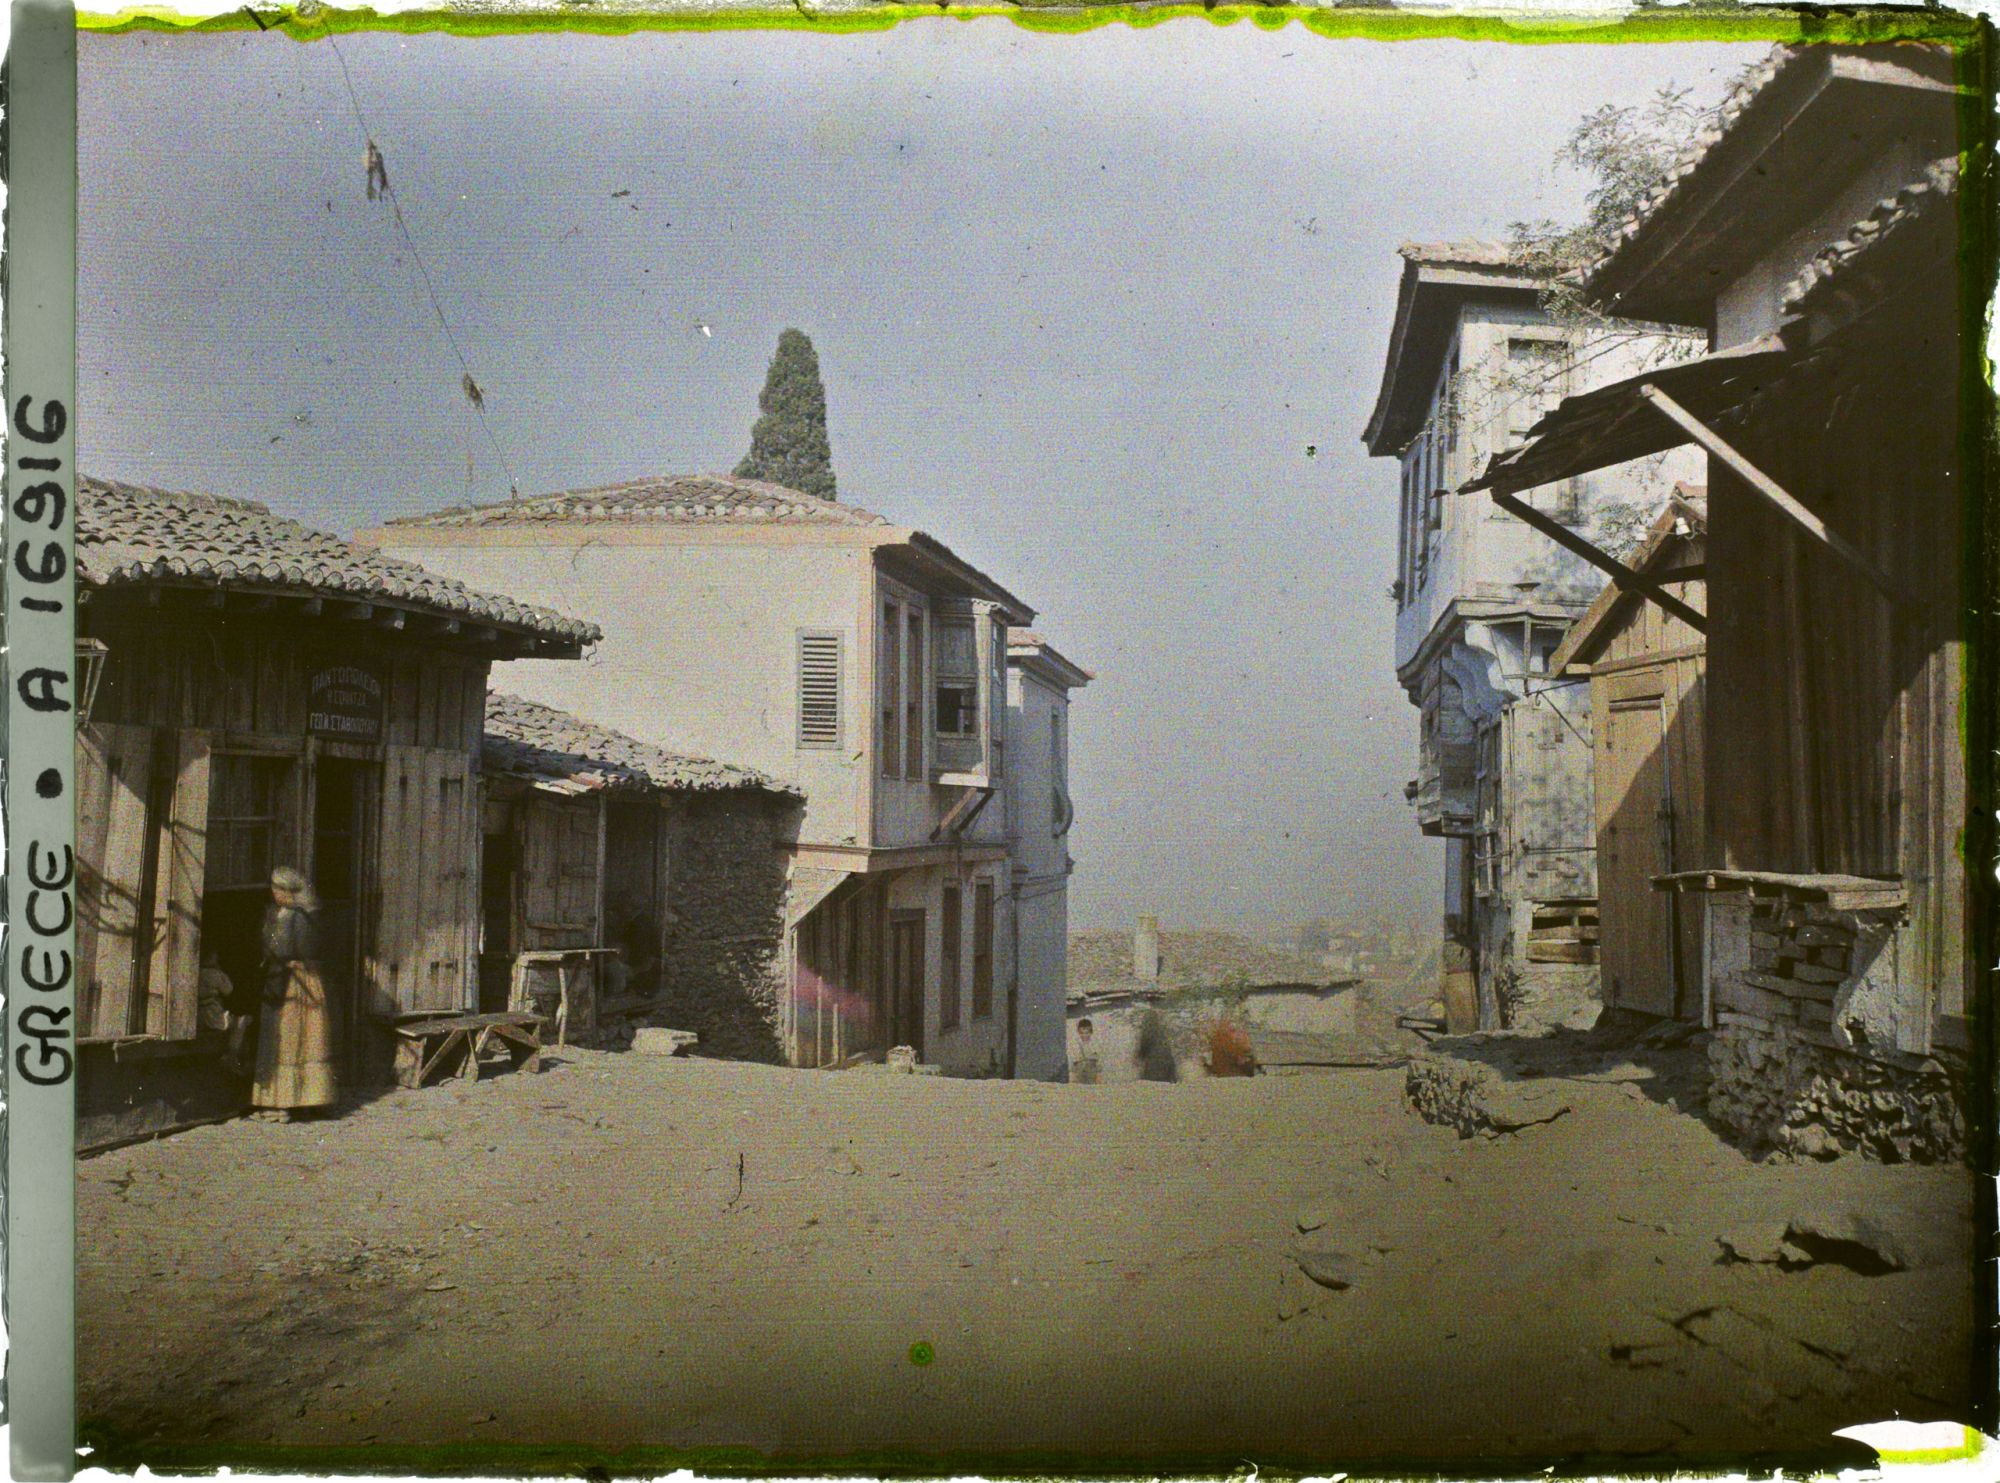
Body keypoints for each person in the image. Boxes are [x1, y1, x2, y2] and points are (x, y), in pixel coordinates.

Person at [250, 866, 337, 1121]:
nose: (274, 892)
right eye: (273, 888)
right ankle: (296, 1101)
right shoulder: (291, 914)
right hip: (292, 979)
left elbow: (285, 949)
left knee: (289, 1042)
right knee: (294, 1042)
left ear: (289, 891)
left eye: (278, 888)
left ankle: (285, 1104)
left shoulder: (297, 916)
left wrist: (269, 942)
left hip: (295, 983)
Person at [1134, 1007, 1179, 1083]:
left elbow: (1145, 1043)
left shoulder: (1149, 1029)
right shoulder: (1163, 1032)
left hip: (1153, 1065)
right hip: (1166, 1065)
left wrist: (1139, 1056)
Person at [1071, 1017, 1101, 1085]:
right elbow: (1075, 1061)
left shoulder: (1094, 1043)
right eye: (1082, 1033)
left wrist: (1098, 1076)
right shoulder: (1077, 1043)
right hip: (1080, 1071)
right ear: (1078, 1032)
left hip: (1091, 1070)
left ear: (1091, 1033)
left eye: (1087, 1033)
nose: (1084, 1035)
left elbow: (1096, 1060)